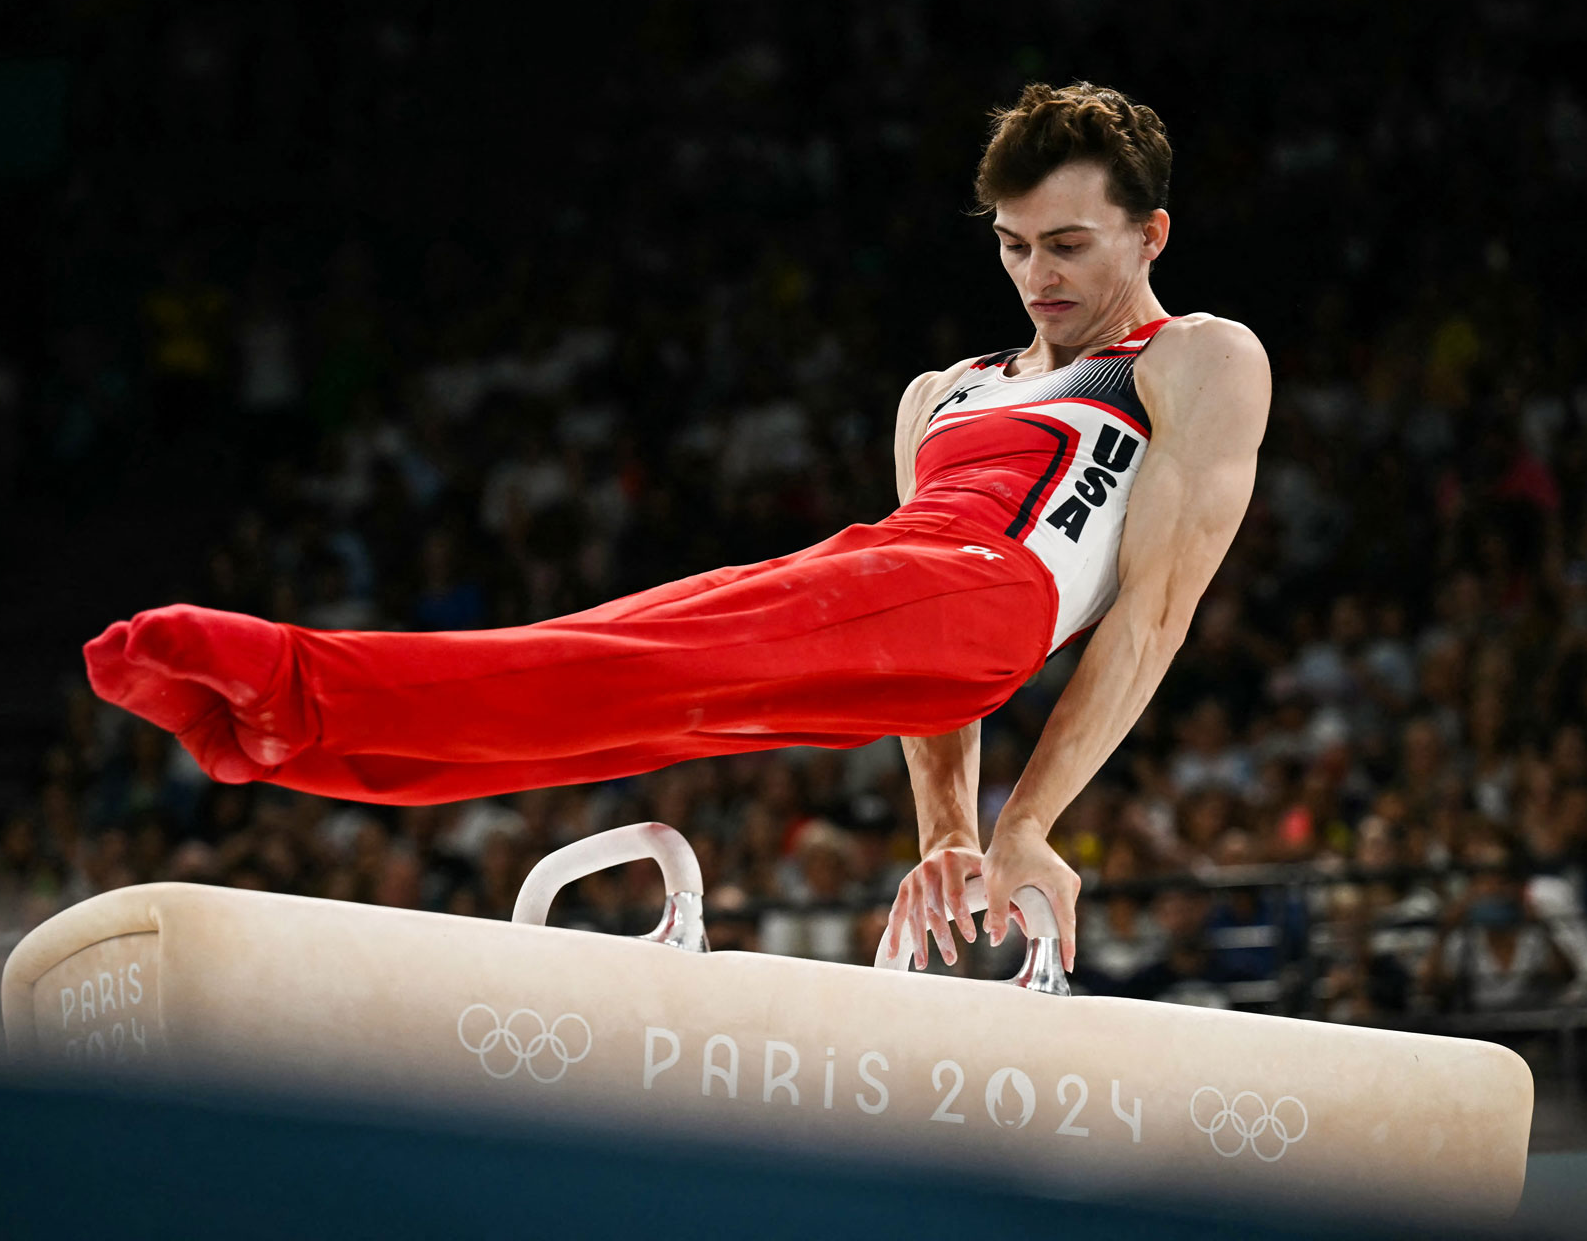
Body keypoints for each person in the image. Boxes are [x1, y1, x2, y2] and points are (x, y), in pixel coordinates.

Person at [83, 82, 1270, 974]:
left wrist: (1028, 827)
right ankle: (290, 737)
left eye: (1067, 245)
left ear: (1150, 233)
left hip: (992, 587)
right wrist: (950, 831)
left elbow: (1158, 611)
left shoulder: (1190, 357)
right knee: (613, 680)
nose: (1035, 274)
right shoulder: (940, 389)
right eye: (1013, 245)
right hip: (887, 579)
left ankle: (280, 673)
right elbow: (923, 679)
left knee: (630, 664)